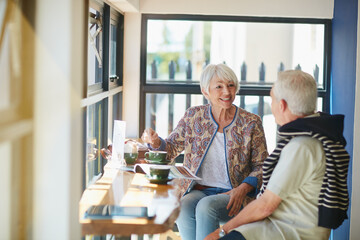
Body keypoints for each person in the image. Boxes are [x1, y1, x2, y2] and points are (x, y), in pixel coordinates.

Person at [205, 70, 350, 240]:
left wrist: (221, 232)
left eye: (272, 99)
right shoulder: (316, 137)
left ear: (281, 105)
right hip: (279, 227)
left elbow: (265, 206)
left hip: (285, 233)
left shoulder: (301, 146)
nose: (271, 105)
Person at [141, 63, 268, 240]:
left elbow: (262, 165)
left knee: (206, 207)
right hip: (199, 190)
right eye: (219, 86)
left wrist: (242, 189)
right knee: (184, 205)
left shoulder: (251, 122)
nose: (227, 92)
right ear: (205, 91)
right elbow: (170, 149)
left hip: (234, 194)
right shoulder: (193, 117)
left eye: (231, 85)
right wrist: (155, 142)